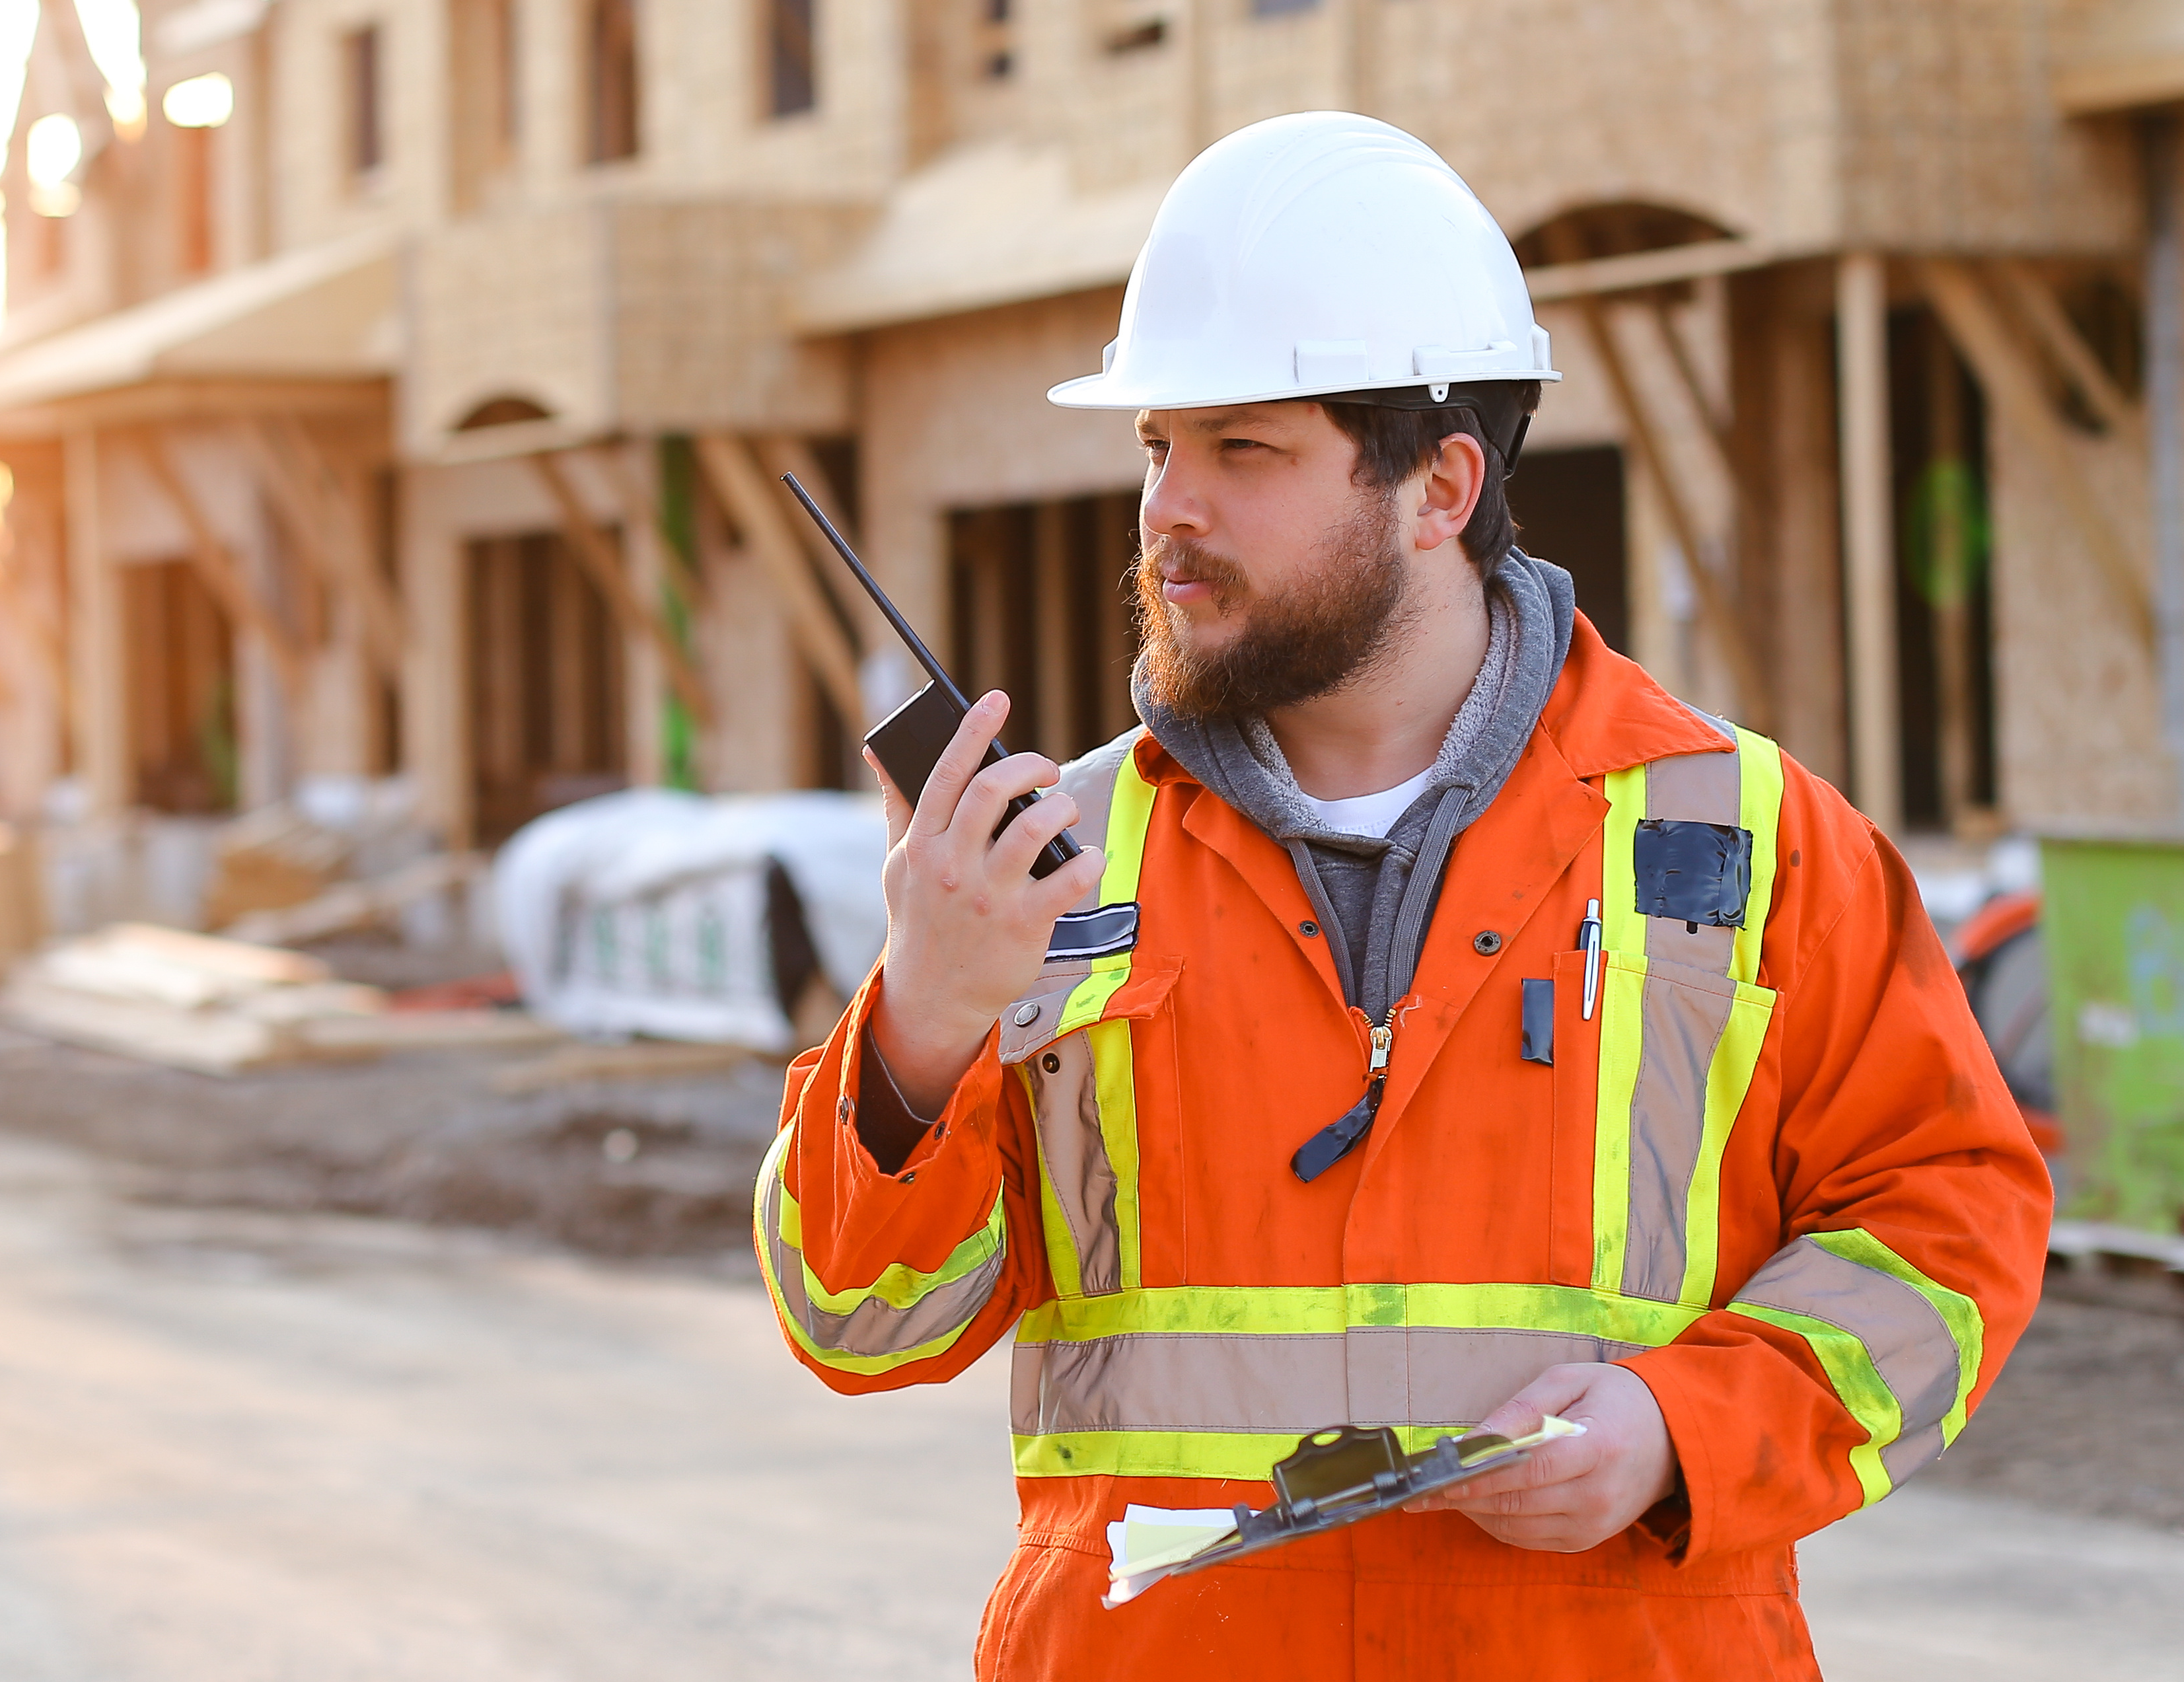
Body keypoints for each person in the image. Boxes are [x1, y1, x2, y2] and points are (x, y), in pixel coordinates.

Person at [758, 112, 2051, 1677]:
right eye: (1160, 445)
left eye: (1246, 451)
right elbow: (857, 1324)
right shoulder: (1050, 860)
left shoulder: (1750, 837)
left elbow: (1949, 1225)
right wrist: (927, 1013)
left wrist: (1676, 1428)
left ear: (1439, 486)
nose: (1171, 507)